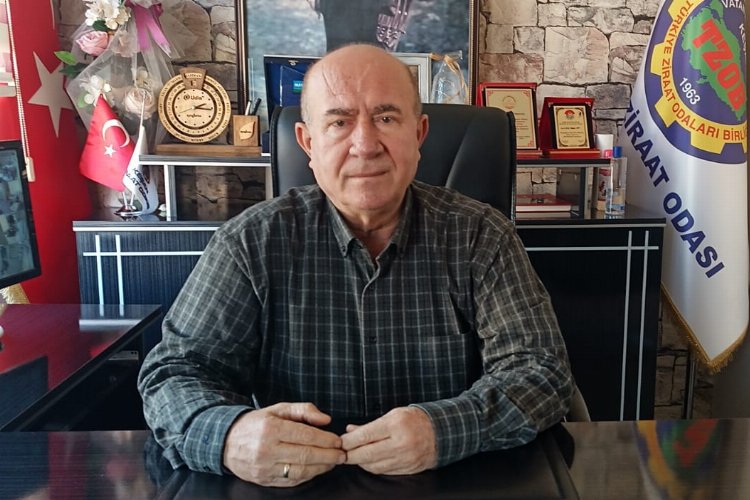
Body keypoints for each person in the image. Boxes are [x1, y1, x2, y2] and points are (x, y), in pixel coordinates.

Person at [138, 44, 574, 488]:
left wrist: (443, 430)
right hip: (295, 488)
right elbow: (175, 374)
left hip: (453, 480)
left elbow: (541, 371)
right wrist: (230, 437)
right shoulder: (250, 243)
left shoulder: (480, 235)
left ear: (419, 134)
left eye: (386, 118)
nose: (365, 145)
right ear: (308, 143)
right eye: (339, 122)